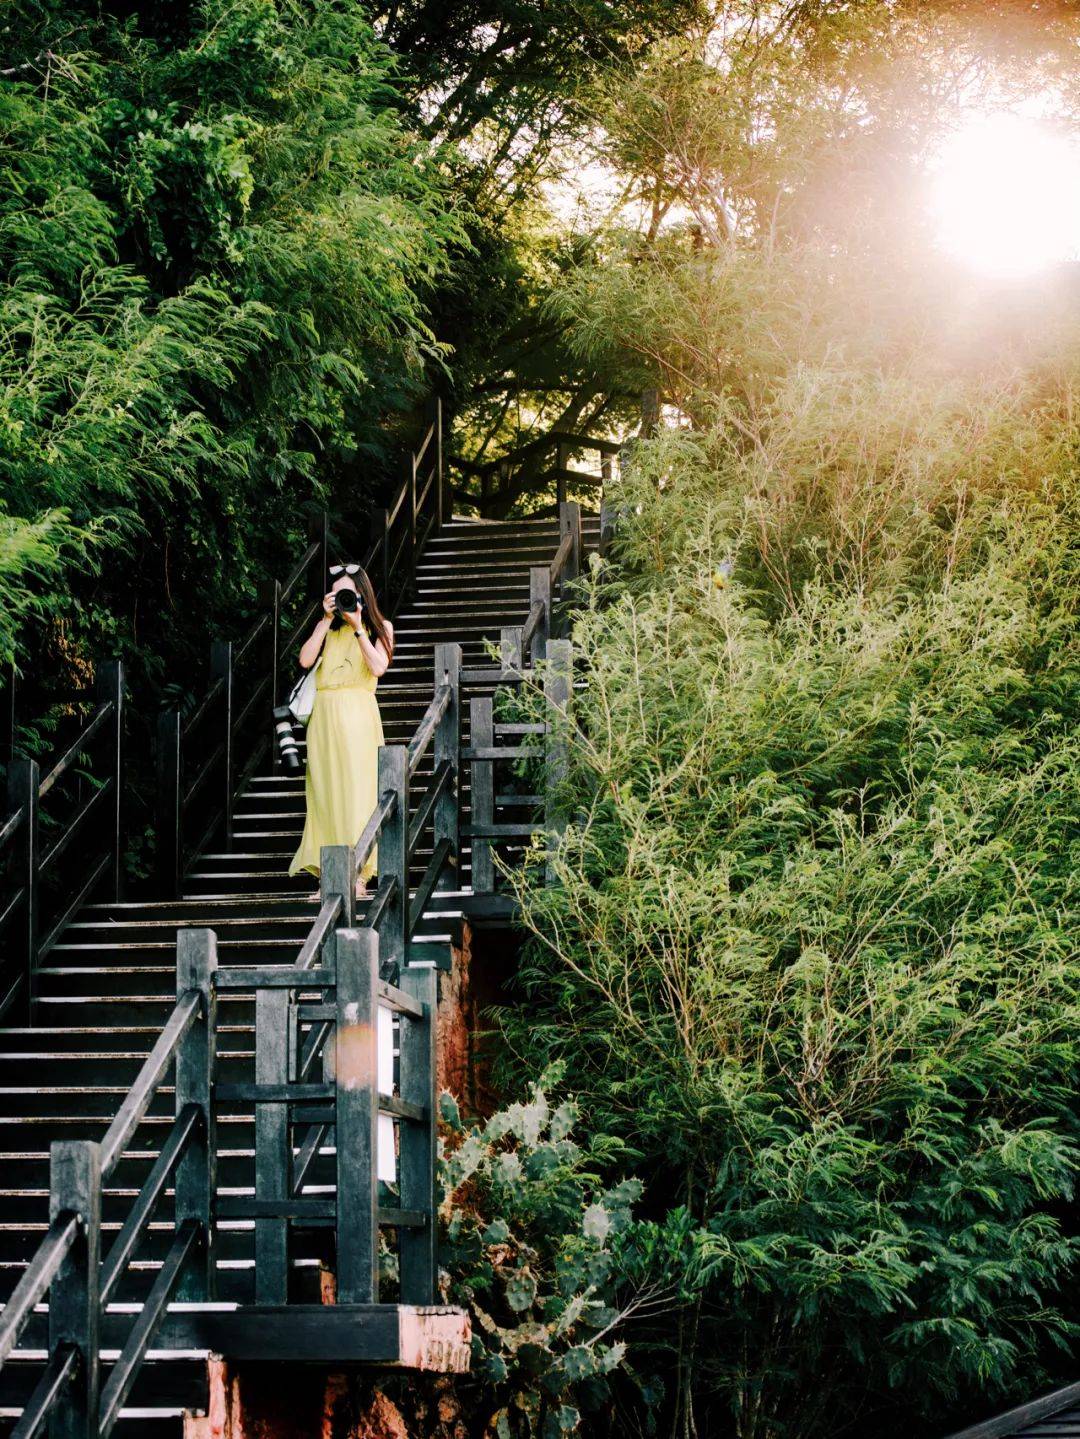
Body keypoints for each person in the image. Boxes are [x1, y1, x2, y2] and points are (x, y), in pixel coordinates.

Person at [288, 562, 394, 901]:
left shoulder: (380, 628)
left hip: (359, 717)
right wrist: (324, 620)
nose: (341, 598)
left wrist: (358, 626)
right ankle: (328, 878)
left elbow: (379, 667)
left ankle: (359, 875)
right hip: (324, 718)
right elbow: (304, 661)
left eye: (347, 593)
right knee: (325, 796)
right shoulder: (328, 628)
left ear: (362, 594)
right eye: (336, 593)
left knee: (357, 796)